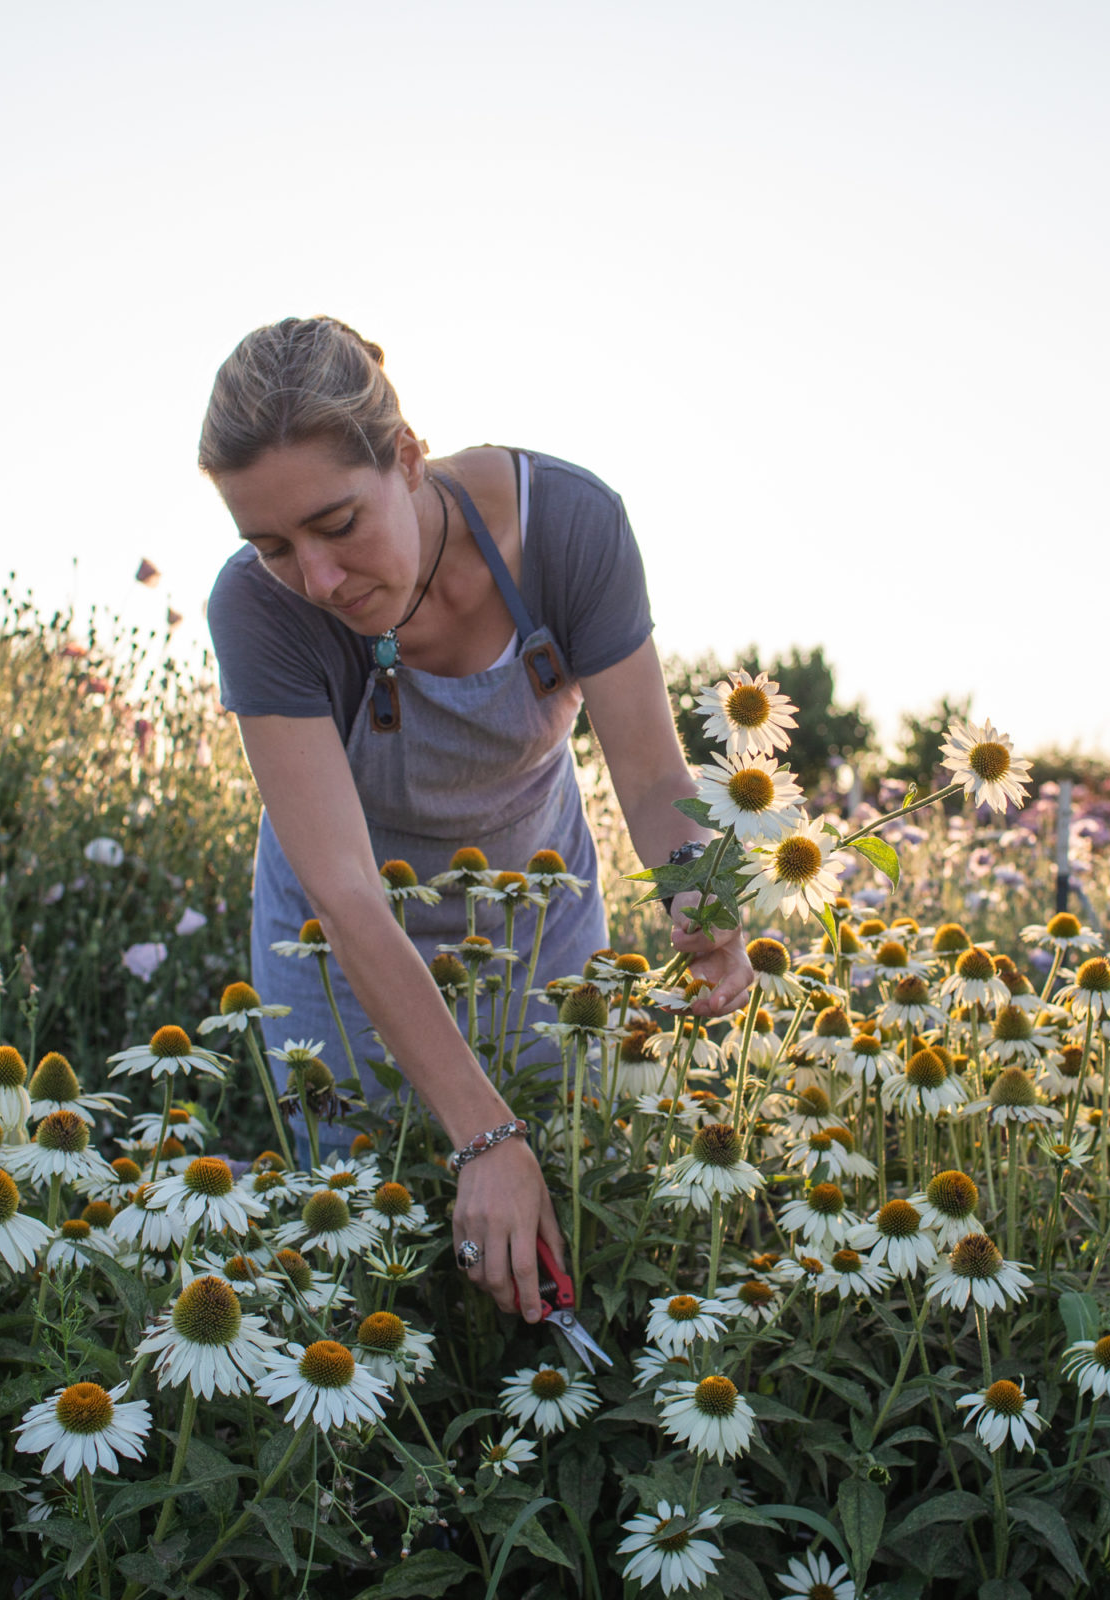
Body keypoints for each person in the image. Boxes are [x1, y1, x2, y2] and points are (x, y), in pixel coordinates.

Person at [200, 316, 752, 1325]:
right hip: (341, 948)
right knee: (366, 1241)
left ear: (406, 457)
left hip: (539, 923)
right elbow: (346, 892)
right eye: (272, 546)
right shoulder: (259, 611)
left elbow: (653, 777)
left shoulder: (568, 525)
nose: (318, 580)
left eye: (337, 524)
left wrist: (702, 895)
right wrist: (484, 1138)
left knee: (575, 1205)